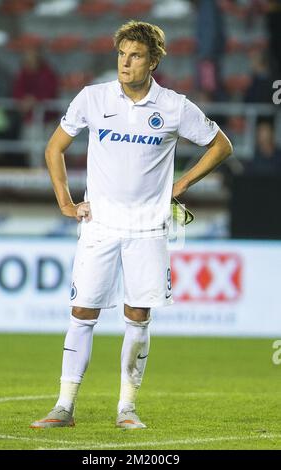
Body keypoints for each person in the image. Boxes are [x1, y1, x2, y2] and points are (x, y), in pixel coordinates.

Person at [30, 20, 232, 430]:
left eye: (135, 55)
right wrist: (66, 203)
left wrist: (182, 183)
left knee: (137, 315)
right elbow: (54, 148)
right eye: (122, 54)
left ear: (153, 61)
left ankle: (126, 408)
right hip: (100, 225)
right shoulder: (93, 98)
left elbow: (221, 145)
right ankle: (64, 407)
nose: (126, 63)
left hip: (147, 228)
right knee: (82, 311)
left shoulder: (174, 107)